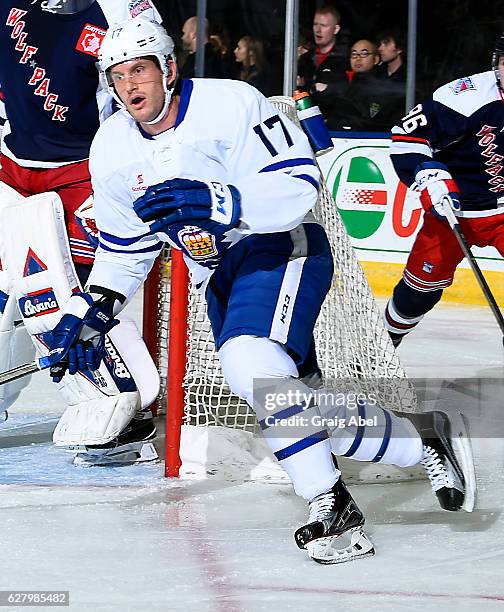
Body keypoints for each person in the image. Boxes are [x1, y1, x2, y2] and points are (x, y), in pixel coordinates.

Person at [44, 18, 476, 564]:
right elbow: (126, 246)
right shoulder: (111, 146)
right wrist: (92, 308)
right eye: (118, 76)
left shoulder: (233, 103)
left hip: (281, 248)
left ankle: (329, 503)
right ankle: (422, 441)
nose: (131, 86)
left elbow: (300, 182)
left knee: (250, 364)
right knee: (287, 401)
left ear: (168, 69)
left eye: (140, 70)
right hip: (216, 276)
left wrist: (222, 201)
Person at [0, 0, 162, 465]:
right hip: (10, 167)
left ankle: (119, 406)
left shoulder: (118, 12)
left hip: (81, 176)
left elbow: (150, 84)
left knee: (61, 299)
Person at [384, 34, 504, 347]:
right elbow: (407, 135)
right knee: (420, 289)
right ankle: (382, 348)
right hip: (453, 209)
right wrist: (429, 175)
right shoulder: (466, 98)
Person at [315, 40, 405, 132]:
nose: (358, 58)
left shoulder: (383, 84)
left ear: (376, 59)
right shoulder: (341, 78)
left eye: (364, 54)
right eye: (354, 54)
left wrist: (330, 89)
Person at [297, 5, 348, 109]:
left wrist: (329, 89)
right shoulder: (305, 59)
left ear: (336, 29)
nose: (318, 30)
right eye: (315, 24)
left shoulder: (346, 59)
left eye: (324, 26)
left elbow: (350, 92)